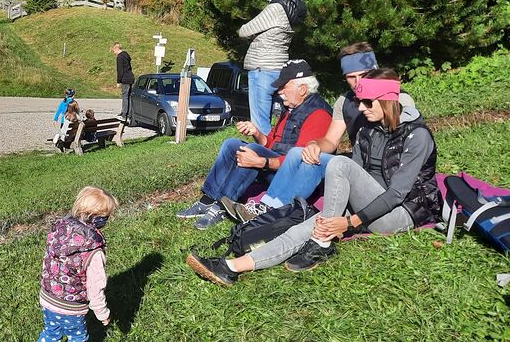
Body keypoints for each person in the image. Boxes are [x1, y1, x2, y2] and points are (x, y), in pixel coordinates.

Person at [187, 69, 441, 285]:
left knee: (338, 166)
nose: (361, 108)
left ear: (387, 101)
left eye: (368, 102)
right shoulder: (368, 129)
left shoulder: (416, 135)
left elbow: (396, 194)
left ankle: (321, 243)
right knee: (307, 226)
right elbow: (359, 174)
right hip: (369, 204)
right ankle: (232, 267)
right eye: (359, 101)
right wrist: (335, 217)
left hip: (402, 213)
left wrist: (349, 222)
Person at [225, 43, 419, 221]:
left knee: (314, 162)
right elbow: (331, 141)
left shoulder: (398, 99)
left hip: (386, 171)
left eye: (364, 74)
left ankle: (279, 211)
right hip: (360, 163)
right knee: (301, 152)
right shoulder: (344, 102)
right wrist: (314, 144)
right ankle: (266, 206)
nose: (358, 81)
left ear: (375, 71)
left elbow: (411, 138)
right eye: (351, 77)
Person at [175, 60, 332, 230]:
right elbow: (271, 143)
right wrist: (256, 133)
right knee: (231, 144)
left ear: (302, 89)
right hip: (275, 165)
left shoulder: (318, 114)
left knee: (252, 150)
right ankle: (208, 200)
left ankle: (223, 205)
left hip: (286, 177)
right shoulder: (291, 109)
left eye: (284, 87)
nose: (279, 92)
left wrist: (262, 162)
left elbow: (300, 161)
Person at [39, 186, 117, 341]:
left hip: (48, 297)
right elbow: (95, 286)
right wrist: (102, 313)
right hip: (71, 307)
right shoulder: (93, 249)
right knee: (78, 337)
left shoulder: (60, 231)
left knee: (50, 332)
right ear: (96, 218)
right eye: (105, 216)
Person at [238, 0, 307, 136]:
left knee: (260, 124)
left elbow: (244, 31)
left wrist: (254, 36)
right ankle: (280, 146)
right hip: (279, 67)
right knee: (281, 119)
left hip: (262, 68)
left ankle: (269, 152)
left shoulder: (276, 8)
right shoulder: (293, 7)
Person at [112, 43, 135, 121]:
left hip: (125, 79)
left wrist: (118, 81)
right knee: (129, 96)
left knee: (125, 96)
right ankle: (129, 115)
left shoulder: (120, 57)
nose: (113, 52)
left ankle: (124, 115)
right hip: (130, 78)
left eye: (113, 50)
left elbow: (120, 70)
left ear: (116, 48)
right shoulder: (126, 55)